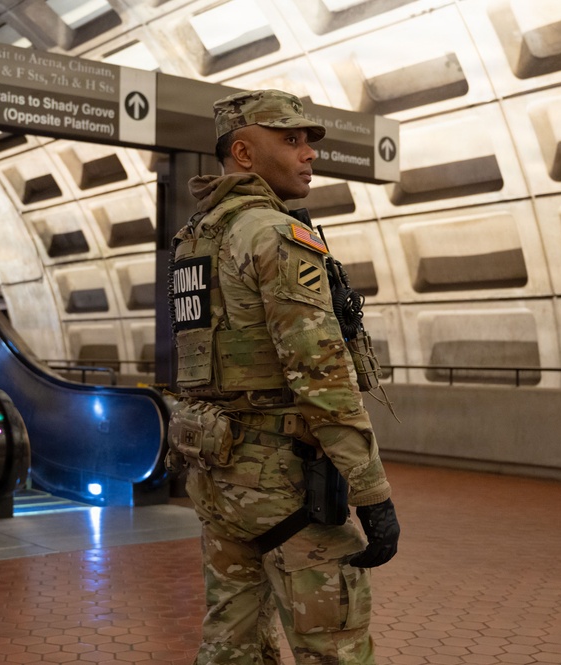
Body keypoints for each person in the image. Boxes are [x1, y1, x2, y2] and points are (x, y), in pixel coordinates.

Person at [166, 89, 400, 664]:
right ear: (244, 153)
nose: (309, 154)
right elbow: (321, 375)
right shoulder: (273, 234)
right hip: (285, 484)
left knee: (231, 641)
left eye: (308, 142)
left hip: (219, 475)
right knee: (334, 645)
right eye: (290, 140)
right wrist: (372, 492)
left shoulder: (196, 239)